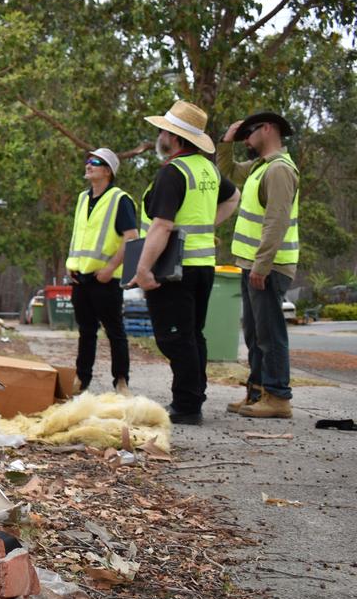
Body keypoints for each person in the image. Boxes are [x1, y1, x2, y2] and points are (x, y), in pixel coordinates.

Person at [131, 100, 240, 425]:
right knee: (194, 334)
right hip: (203, 264)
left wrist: (143, 268)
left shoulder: (173, 172)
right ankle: (193, 396)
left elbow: (162, 225)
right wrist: (209, 225)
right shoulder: (207, 169)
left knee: (174, 337)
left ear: (175, 138)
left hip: (174, 269)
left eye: (164, 130)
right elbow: (234, 197)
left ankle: (188, 404)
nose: (160, 135)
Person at [218, 112, 299, 419]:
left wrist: (262, 267)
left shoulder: (279, 170)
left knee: (270, 333)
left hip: (269, 266)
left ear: (268, 129)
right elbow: (226, 171)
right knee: (254, 332)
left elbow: (276, 222)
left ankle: (278, 397)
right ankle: (257, 392)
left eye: (249, 133)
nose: (246, 140)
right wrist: (227, 142)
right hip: (252, 263)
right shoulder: (259, 167)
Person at [66, 148, 138, 394]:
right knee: (86, 333)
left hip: (105, 279)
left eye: (95, 162)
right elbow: (80, 236)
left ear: (108, 171)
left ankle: (121, 381)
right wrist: (71, 266)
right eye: (88, 160)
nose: (89, 164)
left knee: (115, 332)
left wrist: (110, 268)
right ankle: (81, 380)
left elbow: (131, 238)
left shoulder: (120, 199)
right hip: (80, 278)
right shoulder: (82, 198)